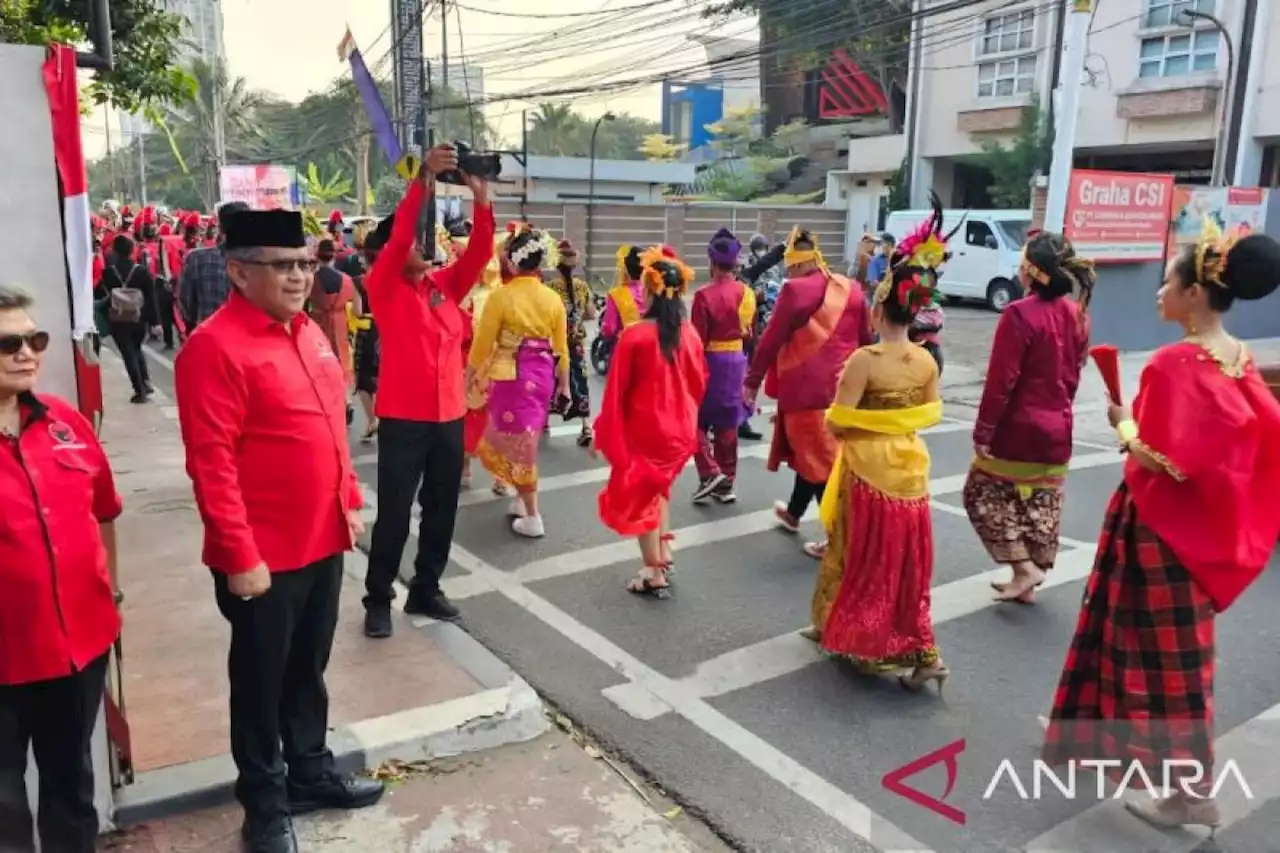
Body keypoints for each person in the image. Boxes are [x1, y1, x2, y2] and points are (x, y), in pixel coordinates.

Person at [1042, 224, 1280, 833]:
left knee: (1159, 661)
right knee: (1139, 643)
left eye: (1168, 282)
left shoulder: (1174, 363)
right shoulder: (1241, 357)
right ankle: (1090, 735)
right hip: (1191, 532)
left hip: (1157, 529)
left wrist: (1122, 423)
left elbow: (1158, 458)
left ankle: (1193, 790)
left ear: (1196, 294)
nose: (1159, 292)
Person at [174, 208, 383, 853]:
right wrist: (239, 554)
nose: (298, 278)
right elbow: (211, 464)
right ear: (238, 272)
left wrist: (348, 499)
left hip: (322, 538)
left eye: (304, 264)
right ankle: (264, 803)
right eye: (282, 265)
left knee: (308, 669)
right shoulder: (214, 348)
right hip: (261, 556)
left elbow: (330, 428)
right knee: (261, 683)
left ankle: (312, 772)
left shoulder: (309, 332)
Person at [0, 285, 123, 853]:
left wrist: (110, 592)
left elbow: (104, 512)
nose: (27, 353)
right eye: (9, 343)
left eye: (34, 339)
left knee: (71, 786)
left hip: (79, 646)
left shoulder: (66, 423)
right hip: (6, 657)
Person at [804, 205, 947, 692]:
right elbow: (928, 414)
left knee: (856, 556)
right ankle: (920, 647)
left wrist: (860, 432)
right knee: (905, 565)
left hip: (867, 472)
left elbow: (839, 421)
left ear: (878, 309)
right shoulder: (926, 362)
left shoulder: (864, 361)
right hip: (911, 474)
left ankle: (851, 633)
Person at [362, 144, 495, 638]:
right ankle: (378, 598)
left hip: (448, 417)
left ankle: (426, 588)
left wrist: (481, 200)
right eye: (418, 239)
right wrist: (424, 181)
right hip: (405, 418)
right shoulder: (385, 287)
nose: (424, 242)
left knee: (442, 508)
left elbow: (481, 253)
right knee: (395, 513)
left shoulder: (442, 287)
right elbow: (399, 236)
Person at [963, 231, 1095, 604]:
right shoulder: (1079, 315)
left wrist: (984, 430)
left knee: (979, 493)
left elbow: (1000, 382)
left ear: (1030, 272)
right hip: (1058, 429)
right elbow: (1074, 373)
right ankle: (1028, 578)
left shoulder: (1018, 315)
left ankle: (1023, 569)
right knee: (1041, 502)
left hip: (1019, 429)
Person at [744, 226, 874, 559]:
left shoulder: (794, 292)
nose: (788, 272)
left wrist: (751, 383)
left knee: (818, 464)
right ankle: (794, 513)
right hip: (845, 391)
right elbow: (865, 340)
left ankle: (836, 537)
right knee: (813, 455)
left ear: (801, 264)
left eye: (790, 266)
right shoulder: (852, 289)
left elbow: (770, 340)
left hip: (807, 391)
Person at [594, 247, 707, 596]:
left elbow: (616, 392)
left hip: (648, 430)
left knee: (642, 496)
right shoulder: (689, 333)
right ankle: (664, 549)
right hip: (681, 430)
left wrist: (607, 434)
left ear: (647, 289)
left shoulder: (635, 335)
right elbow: (699, 382)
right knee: (659, 489)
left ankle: (653, 571)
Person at [469, 224, 570, 537]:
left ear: (511, 263)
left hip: (511, 377)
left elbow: (483, 344)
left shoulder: (501, 297)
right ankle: (521, 498)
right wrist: (564, 385)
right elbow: (562, 349)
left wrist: (470, 375)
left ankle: (534, 515)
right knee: (525, 439)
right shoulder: (552, 299)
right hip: (541, 377)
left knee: (514, 441)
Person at [690, 228, 755, 504]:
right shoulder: (746, 293)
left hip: (710, 362)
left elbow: (697, 339)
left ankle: (709, 470)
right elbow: (750, 333)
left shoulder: (703, 296)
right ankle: (727, 483)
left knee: (694, 419)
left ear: (711, 262)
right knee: (728, 425)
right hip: (737, 361)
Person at [97, 233, 158, 403]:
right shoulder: (142, 272)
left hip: (118, 318)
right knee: (137, 349)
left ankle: (139, 391)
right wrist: (155, 322)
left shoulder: (108, 273)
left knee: (128, 352)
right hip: (139, 317)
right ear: (132, 251)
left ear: (115, 251)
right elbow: (151, 298)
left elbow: (104, 294)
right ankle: (145, 382)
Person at [547, 238, 595, 447]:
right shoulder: (582, 286)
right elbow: (591, 313)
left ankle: (544, 421)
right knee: (580, 381)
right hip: (576, 341)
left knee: (550, 380)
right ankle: (586, 425)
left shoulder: (549, 288)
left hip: (554, 342)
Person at [180, 201, 250, 329]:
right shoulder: (261, 263)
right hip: (251, 339)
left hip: (207, 337)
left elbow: (186, 306)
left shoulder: (196, 259)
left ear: (220, 227)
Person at [309, 239, 360, 389]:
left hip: (318, 323)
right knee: (342, 357)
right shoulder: (346, 280)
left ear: (318, 256)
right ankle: (345, 397)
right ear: (334, 256)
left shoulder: (310, 279)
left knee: (320, 359)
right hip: (340, 323)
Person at [600, 246, 647, 344]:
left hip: (625, 347)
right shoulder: (652, 291)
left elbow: (609, 329)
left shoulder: (616, 294)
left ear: (624, 269)